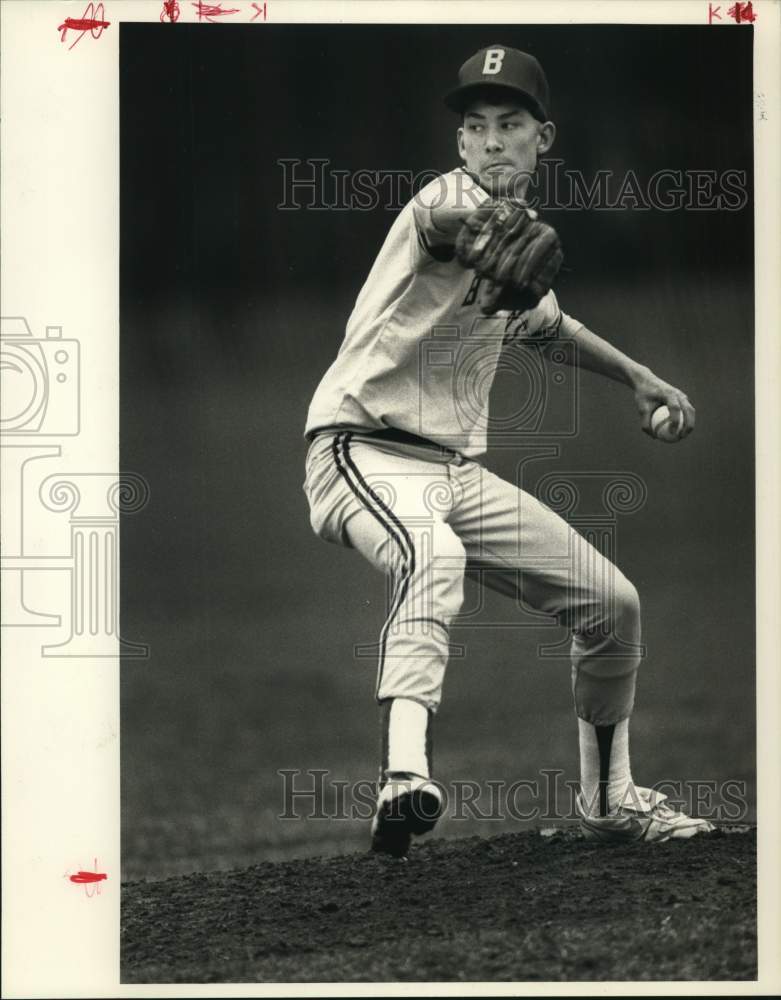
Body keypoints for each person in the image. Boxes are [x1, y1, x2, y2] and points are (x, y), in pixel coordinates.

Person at [302, 44, 714, 856]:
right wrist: (482, 226)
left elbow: (550, 328)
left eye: (510, 124)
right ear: (459, 145)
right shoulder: (442, 205)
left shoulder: (517, 234)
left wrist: (640, 378)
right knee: (434, 558)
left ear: (542, 138)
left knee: (611, 605)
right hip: (359, 449)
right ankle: (402, 777)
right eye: (476, 126)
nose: (491, 140)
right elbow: (443, 227)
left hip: (450, 470)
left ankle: (609, 799)